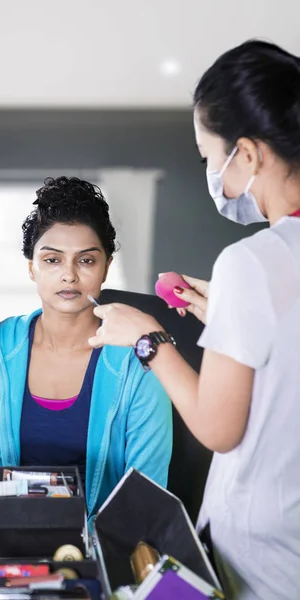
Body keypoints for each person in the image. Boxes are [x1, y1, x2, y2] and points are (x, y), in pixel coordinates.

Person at [88, 41, 300, 600]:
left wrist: (148, 338)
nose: (210, 171)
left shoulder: (252, 262)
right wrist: (229, 313)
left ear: (248, 156)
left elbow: (217, 427)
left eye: (209, 155)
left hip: (264, 553)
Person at [0, 176, 172, 519]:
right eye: (52, 260)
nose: (69, 276)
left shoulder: (140, 357)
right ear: (32, 268)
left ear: (106, 268)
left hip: (105, 548)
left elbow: (146, 490)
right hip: (8, 538)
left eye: (86, 260)